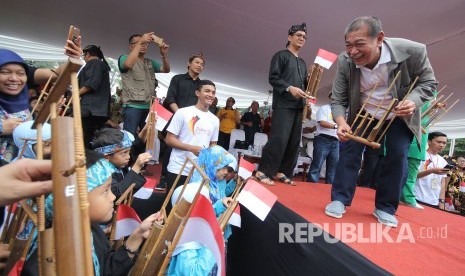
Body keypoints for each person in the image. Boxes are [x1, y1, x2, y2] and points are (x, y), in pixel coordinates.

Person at [325, 16, 437, 227]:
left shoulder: (413, 51)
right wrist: (341, 121)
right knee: (350, 151)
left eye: (359, 44)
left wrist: (412, 102)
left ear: (379, 39)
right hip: (363, 111)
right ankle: (339, 199)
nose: (353, 51)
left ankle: (385, 208)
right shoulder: (345, 60)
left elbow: (429, 83)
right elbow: (338, 98)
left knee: (397, 156)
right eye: (349, 45)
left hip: (399, 113)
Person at [22, 156, 162, 275]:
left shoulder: (90, 230)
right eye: (105, 191)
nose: (113, 197)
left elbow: (105, 269)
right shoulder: (48, 261)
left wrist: (138, 235)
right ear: (75, 201)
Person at [254, 23, 309, 186]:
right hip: (284, 104)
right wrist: (289, 88)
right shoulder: (281, 55)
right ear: (289, 37)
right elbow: (274, 77)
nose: (302, 39)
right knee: (279, 138)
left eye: (304, 37)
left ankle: (282, 172)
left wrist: (310, 80)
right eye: (298, 35)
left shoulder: (303, 63)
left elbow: (304, 85)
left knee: (293, 142)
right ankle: (263, 171)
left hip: (299, 106)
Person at [164, 80, 219, 204]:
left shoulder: (215, 120)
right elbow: (169, 139)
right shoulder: (183, 112)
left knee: (190, 210)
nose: (211, 95)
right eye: (207, 91)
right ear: (197, 93)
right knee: (171, 206)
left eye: (213, 92)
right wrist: (191, 148)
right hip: (178, 168)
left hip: (199, 173)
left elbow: (213, 145)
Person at [158, 53, 205, 190]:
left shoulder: (201, 85)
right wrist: (180, 114)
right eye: (197, 62)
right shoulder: (177, 79)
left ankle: (187, 179)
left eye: (202, 64)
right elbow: (170, 97)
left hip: (193, 122)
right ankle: (164, 178)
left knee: (188, 148)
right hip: (176, 117)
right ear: (189, 63)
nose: (199, 66)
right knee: (169, 148)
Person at [118, 33, 170, 138]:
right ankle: (128, 155)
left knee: (147, 139)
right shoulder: (124, 58)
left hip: (149, 107)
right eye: (138, 43)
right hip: (132, 106)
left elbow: (166, 69)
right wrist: (141, 41)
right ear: (130, 46)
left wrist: (164, 55)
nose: (143, 45)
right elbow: (128, 65)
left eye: (145, 43)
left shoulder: (149, 62)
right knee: (129, 137)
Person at [92, 128, 152, 198]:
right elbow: (117, 193)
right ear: (106, 157)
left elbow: (136, 148)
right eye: (124, 153)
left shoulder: (117, 161)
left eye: (129, 152)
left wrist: (145, 129)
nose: (128, 156)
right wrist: (137, 166)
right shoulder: (100, 172)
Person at [0, 49, 31, 165]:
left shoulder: (24, 103)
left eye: (20, 73)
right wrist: (1, 127)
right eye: (5, 72)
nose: (14, 78)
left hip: (18, 169)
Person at [79, 45, 111, 149]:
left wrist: (75, 95)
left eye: (84, 55)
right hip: (98, 110)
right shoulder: (101, 65)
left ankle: (87, 162)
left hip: (91, 110)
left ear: (87, 54)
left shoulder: (95, 63)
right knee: (93, 139)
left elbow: (92, 84)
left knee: (86, 139)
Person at [414, 132, 449, 208]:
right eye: (439, 142)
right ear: (429, 142)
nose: (441, 145)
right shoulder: (420, 155)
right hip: (417, 197)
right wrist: (431, 171)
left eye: (444, 143)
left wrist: (441, 201)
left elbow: (442, 184)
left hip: (434, 201)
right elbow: (413, 176)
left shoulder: (443, 161)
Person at [307, 103, 339, 184]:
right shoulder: (324, 108)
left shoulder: (341, 111)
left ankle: (329, 188)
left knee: (333, 167)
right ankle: (310, 187)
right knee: (317, 164)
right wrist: (337, 126)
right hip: (323, 138)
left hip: (336, 140)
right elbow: (322, 122)